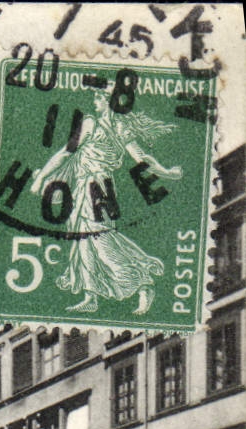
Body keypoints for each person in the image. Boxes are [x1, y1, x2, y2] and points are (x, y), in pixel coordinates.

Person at [30, 89, 183, 315]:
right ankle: (91, 295)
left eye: (98, 98)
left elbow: (140, 158)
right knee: (83, 241)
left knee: (101, 242)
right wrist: (166, 172)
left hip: (98, 187)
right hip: (88, 186)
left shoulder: (103, 126)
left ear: (108, 101)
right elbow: (67, 153)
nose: (94, 102)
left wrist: (167, 173)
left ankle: (143, 283)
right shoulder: (108, 126)